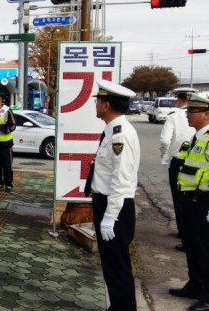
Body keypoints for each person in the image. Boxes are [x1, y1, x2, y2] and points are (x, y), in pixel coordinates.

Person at [86, 80, 140, 311]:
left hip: (114, 207)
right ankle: (118, 306)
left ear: (106, 105)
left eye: (97, 101)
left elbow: (122, 179)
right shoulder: (112, 130)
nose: (95, 105)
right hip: (106, 203)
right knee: (111, 263)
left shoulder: (120, 134)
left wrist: (110, 216)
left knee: (117, 264)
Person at [170, 93, 209, 311]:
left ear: (207, 114)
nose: (188, 115)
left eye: (193, 112)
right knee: (192, 247)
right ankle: (194, 285)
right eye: (188, 111)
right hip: (190, 200)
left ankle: (208, 296)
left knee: (205, 250)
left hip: (205, 201)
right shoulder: (197, 137)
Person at [159, 87, 196, 251]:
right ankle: (189, 232)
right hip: (197, 162)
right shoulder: (201, 116)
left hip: (178, 161)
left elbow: (165, 140)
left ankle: (184, 233)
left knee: (179, 198)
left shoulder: (174, 117)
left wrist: (165, 156)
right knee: (194, 198)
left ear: (178, 99)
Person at [0, 93, 16, 192]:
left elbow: (13, 125)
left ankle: (8, 184)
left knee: (7, 165)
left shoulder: (7, 110)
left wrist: (0, 127)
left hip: (6, 142)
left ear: (0, 100)